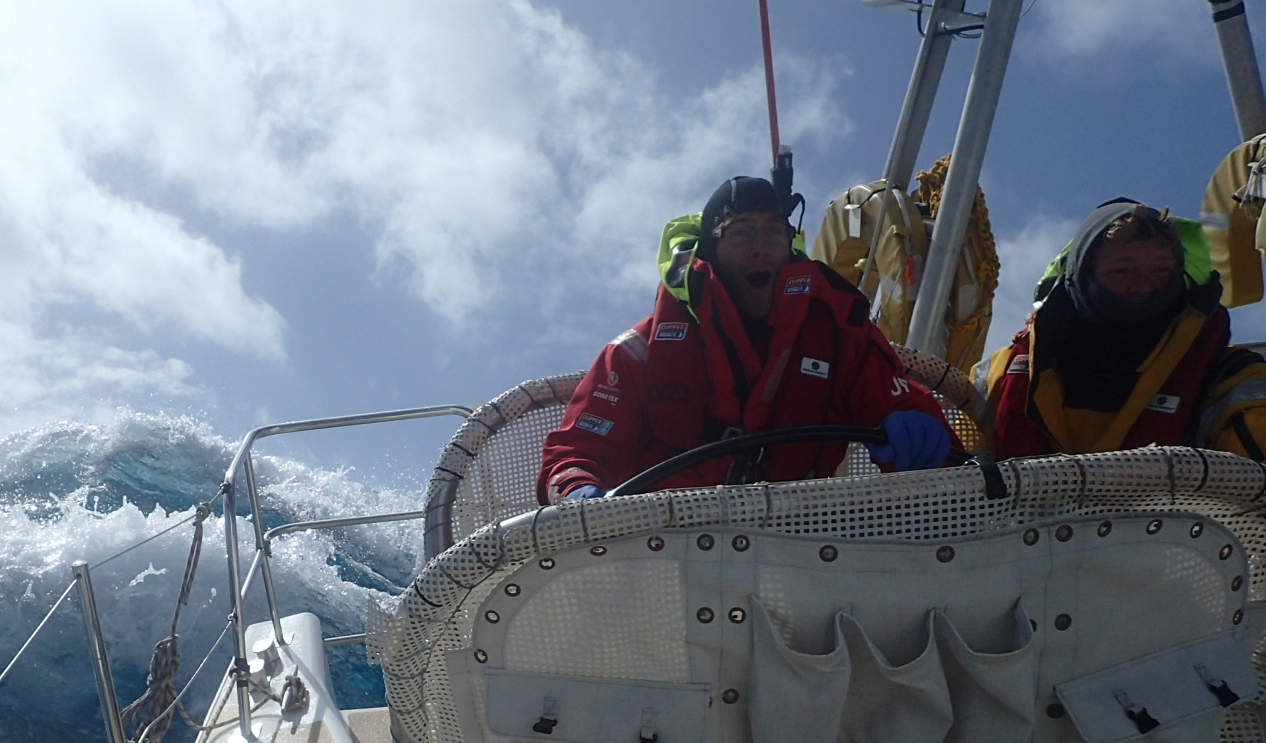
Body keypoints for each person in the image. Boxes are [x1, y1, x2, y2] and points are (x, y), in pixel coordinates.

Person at [538, 176, 954, 503]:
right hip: (667, 557)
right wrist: (576, 489)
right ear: (710, 249)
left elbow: (896, 398)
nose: (761, 249)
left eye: (773, 233)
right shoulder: (637, 354)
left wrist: (917, 423)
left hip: (803, 548)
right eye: (740, 233)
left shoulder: (840, 334)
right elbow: (575, 454)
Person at [976, 199, 1266, 460]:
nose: (1143, 286)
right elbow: (952, 452)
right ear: (1082, 276)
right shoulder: (1000, 372)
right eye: (1121, 271)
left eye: (1161, 271)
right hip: (1017, 519)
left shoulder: (1230, 376)